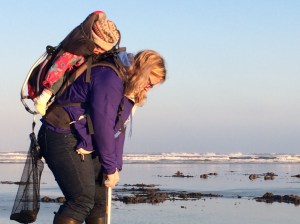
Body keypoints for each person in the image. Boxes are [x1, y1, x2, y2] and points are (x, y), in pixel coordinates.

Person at [38, 49, 167, 224]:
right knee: (81, 199)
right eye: (149, 83)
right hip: (61, 133)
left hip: (85, 138)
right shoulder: (109, 78)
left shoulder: (128, 88)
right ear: (142, 71)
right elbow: (103, 126)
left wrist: (114, 166)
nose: (148, 89)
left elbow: (118, 129)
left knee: (99, 201)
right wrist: (109, 167)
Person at [33, 10, 120, 116]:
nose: (99, 51)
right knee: (60, 73)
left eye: (103, 50)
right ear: (92, 39)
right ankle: (43, 98)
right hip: (61, 70)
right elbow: (57, 68)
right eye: (98, 47)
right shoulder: (75, 49)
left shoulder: (90, 48)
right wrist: (48, 90)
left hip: (76, 68)